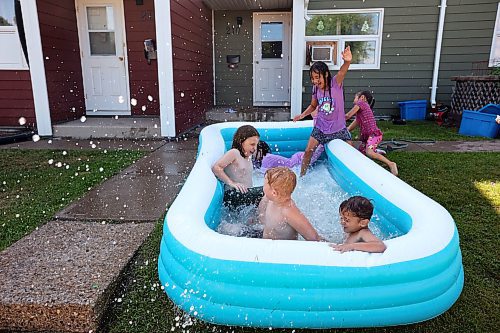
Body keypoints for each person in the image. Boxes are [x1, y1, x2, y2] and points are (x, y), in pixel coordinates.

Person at [293, 46, 353, 176]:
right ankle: (302, 176)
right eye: (312, 78)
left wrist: (347, 62)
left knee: (351, 156)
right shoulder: (315, 89)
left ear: (325, 74)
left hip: (339, 129)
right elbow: (313, 106)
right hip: (321, 128)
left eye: (317, 77)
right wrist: (302, 115)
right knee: (308, 151)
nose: (315, 81)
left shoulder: (335, 83)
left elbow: (342, 72)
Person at [257, 167, 322, 241]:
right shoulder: (270, 198)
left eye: (264, 183)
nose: (263, 186)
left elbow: (314, 237)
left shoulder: (288, 211)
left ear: (274, 192)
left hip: (283, 249)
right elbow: (261, 215)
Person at [345, 90, 398, 176]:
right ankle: (376, 151)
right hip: (367, 138)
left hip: (374, 135)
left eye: (355, 98)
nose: (353, 101)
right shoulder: (361, 112)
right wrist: (345, 130)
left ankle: (391, 164)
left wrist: (336, 120)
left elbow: (348, 115)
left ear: (362, 98)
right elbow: (353, 125)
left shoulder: (361, 104)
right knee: (361, 153)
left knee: (369, 152)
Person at [212, 125, 263, 208]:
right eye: (252, 144)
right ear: (241, 142)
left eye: (256, 144)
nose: (255, 148)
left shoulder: (248, 157)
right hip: (233, 195)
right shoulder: (234, 153)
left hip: (245, 194)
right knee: (269, 191)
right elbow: (216, 168)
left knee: (272, 191)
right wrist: (231, 183)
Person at [253, 140, 324, 172]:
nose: (252, 152)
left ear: (260, 151)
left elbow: (262, 174)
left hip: (298, 162)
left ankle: (323, 141)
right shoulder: (260, 159)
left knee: (316, 151)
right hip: (294, 160)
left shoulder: (266, 158)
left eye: (254, 150)